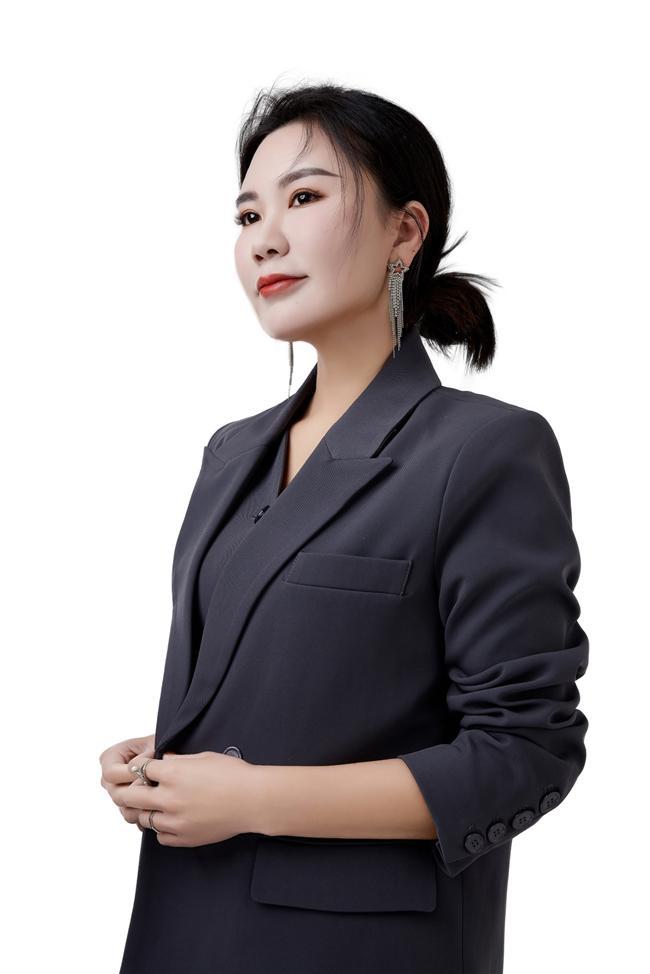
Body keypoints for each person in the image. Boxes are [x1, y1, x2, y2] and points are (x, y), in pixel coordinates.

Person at [100, 81, 589, 974]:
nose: (264, 238)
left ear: (406, 232)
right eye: (248, 214)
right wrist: (164, 764)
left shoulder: (484, 450)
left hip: (354, 947)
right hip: (179, 928)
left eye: (304, 197)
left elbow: (524, 751)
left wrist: (252, 798)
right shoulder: (232, 451)